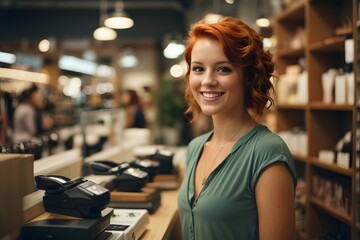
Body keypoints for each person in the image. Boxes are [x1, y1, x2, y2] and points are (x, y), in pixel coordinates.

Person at [177, 17, 297, 240]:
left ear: (248, 76)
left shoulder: (266, 152)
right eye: (198, 69)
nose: (207, 81)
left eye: (223, 69)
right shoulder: (195, 147)